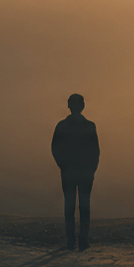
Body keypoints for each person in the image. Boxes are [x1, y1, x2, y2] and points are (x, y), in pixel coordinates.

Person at [51, 93, 99, 251]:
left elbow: (55, 148)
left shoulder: (62, 126)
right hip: (85, 172)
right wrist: (91, 168)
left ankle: (71, 241)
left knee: (69, 206)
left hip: (69, 172)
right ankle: (83, 241)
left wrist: (63, 165)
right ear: (83, 106)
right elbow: (95, 151)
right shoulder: (89, 126)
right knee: (85, 206)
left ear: (69, 106)